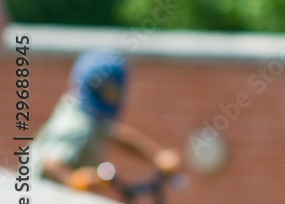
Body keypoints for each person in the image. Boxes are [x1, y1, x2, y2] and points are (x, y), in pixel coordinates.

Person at [36, 50, 181, 193]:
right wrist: (75, 180)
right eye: (109, 91)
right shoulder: (76, 125)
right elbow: (50, 164)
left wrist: (156, 156)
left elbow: (117, 134)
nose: (113, 96)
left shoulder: (89, 114)